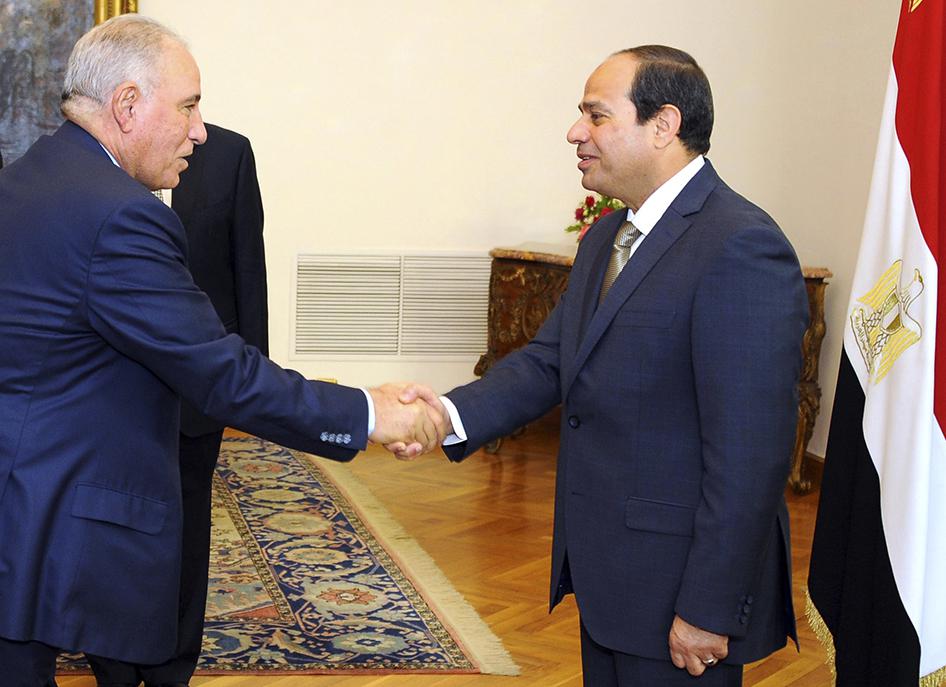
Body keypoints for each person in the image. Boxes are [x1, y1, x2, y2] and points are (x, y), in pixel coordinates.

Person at [0, 15, 443, 687]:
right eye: (188, 106)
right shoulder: (121, 214)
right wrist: (369, 412)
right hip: (46, 511)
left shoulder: (32, 175)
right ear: (126, 105)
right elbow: (220, 373)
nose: (201, 130)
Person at [396, 45, 809, 686]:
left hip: (679, 590)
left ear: (664, 125)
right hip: (609, 574)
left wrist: (708, 606)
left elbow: (751, 455)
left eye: (596, 116)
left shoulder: (739, 245)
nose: (574, 132)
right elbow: (550, 362)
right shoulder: (606, 237)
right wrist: (443, 416)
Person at [84, 123, 268, 685]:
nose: (197, 124)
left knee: (188, 527)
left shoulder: (229, 154)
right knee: (108, 527)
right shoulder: (89, 157)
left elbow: (247, 266)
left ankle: (173, 665)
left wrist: (252, 379)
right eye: (186, 102)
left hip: (198, 388)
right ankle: (112, 663)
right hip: (107, 389)